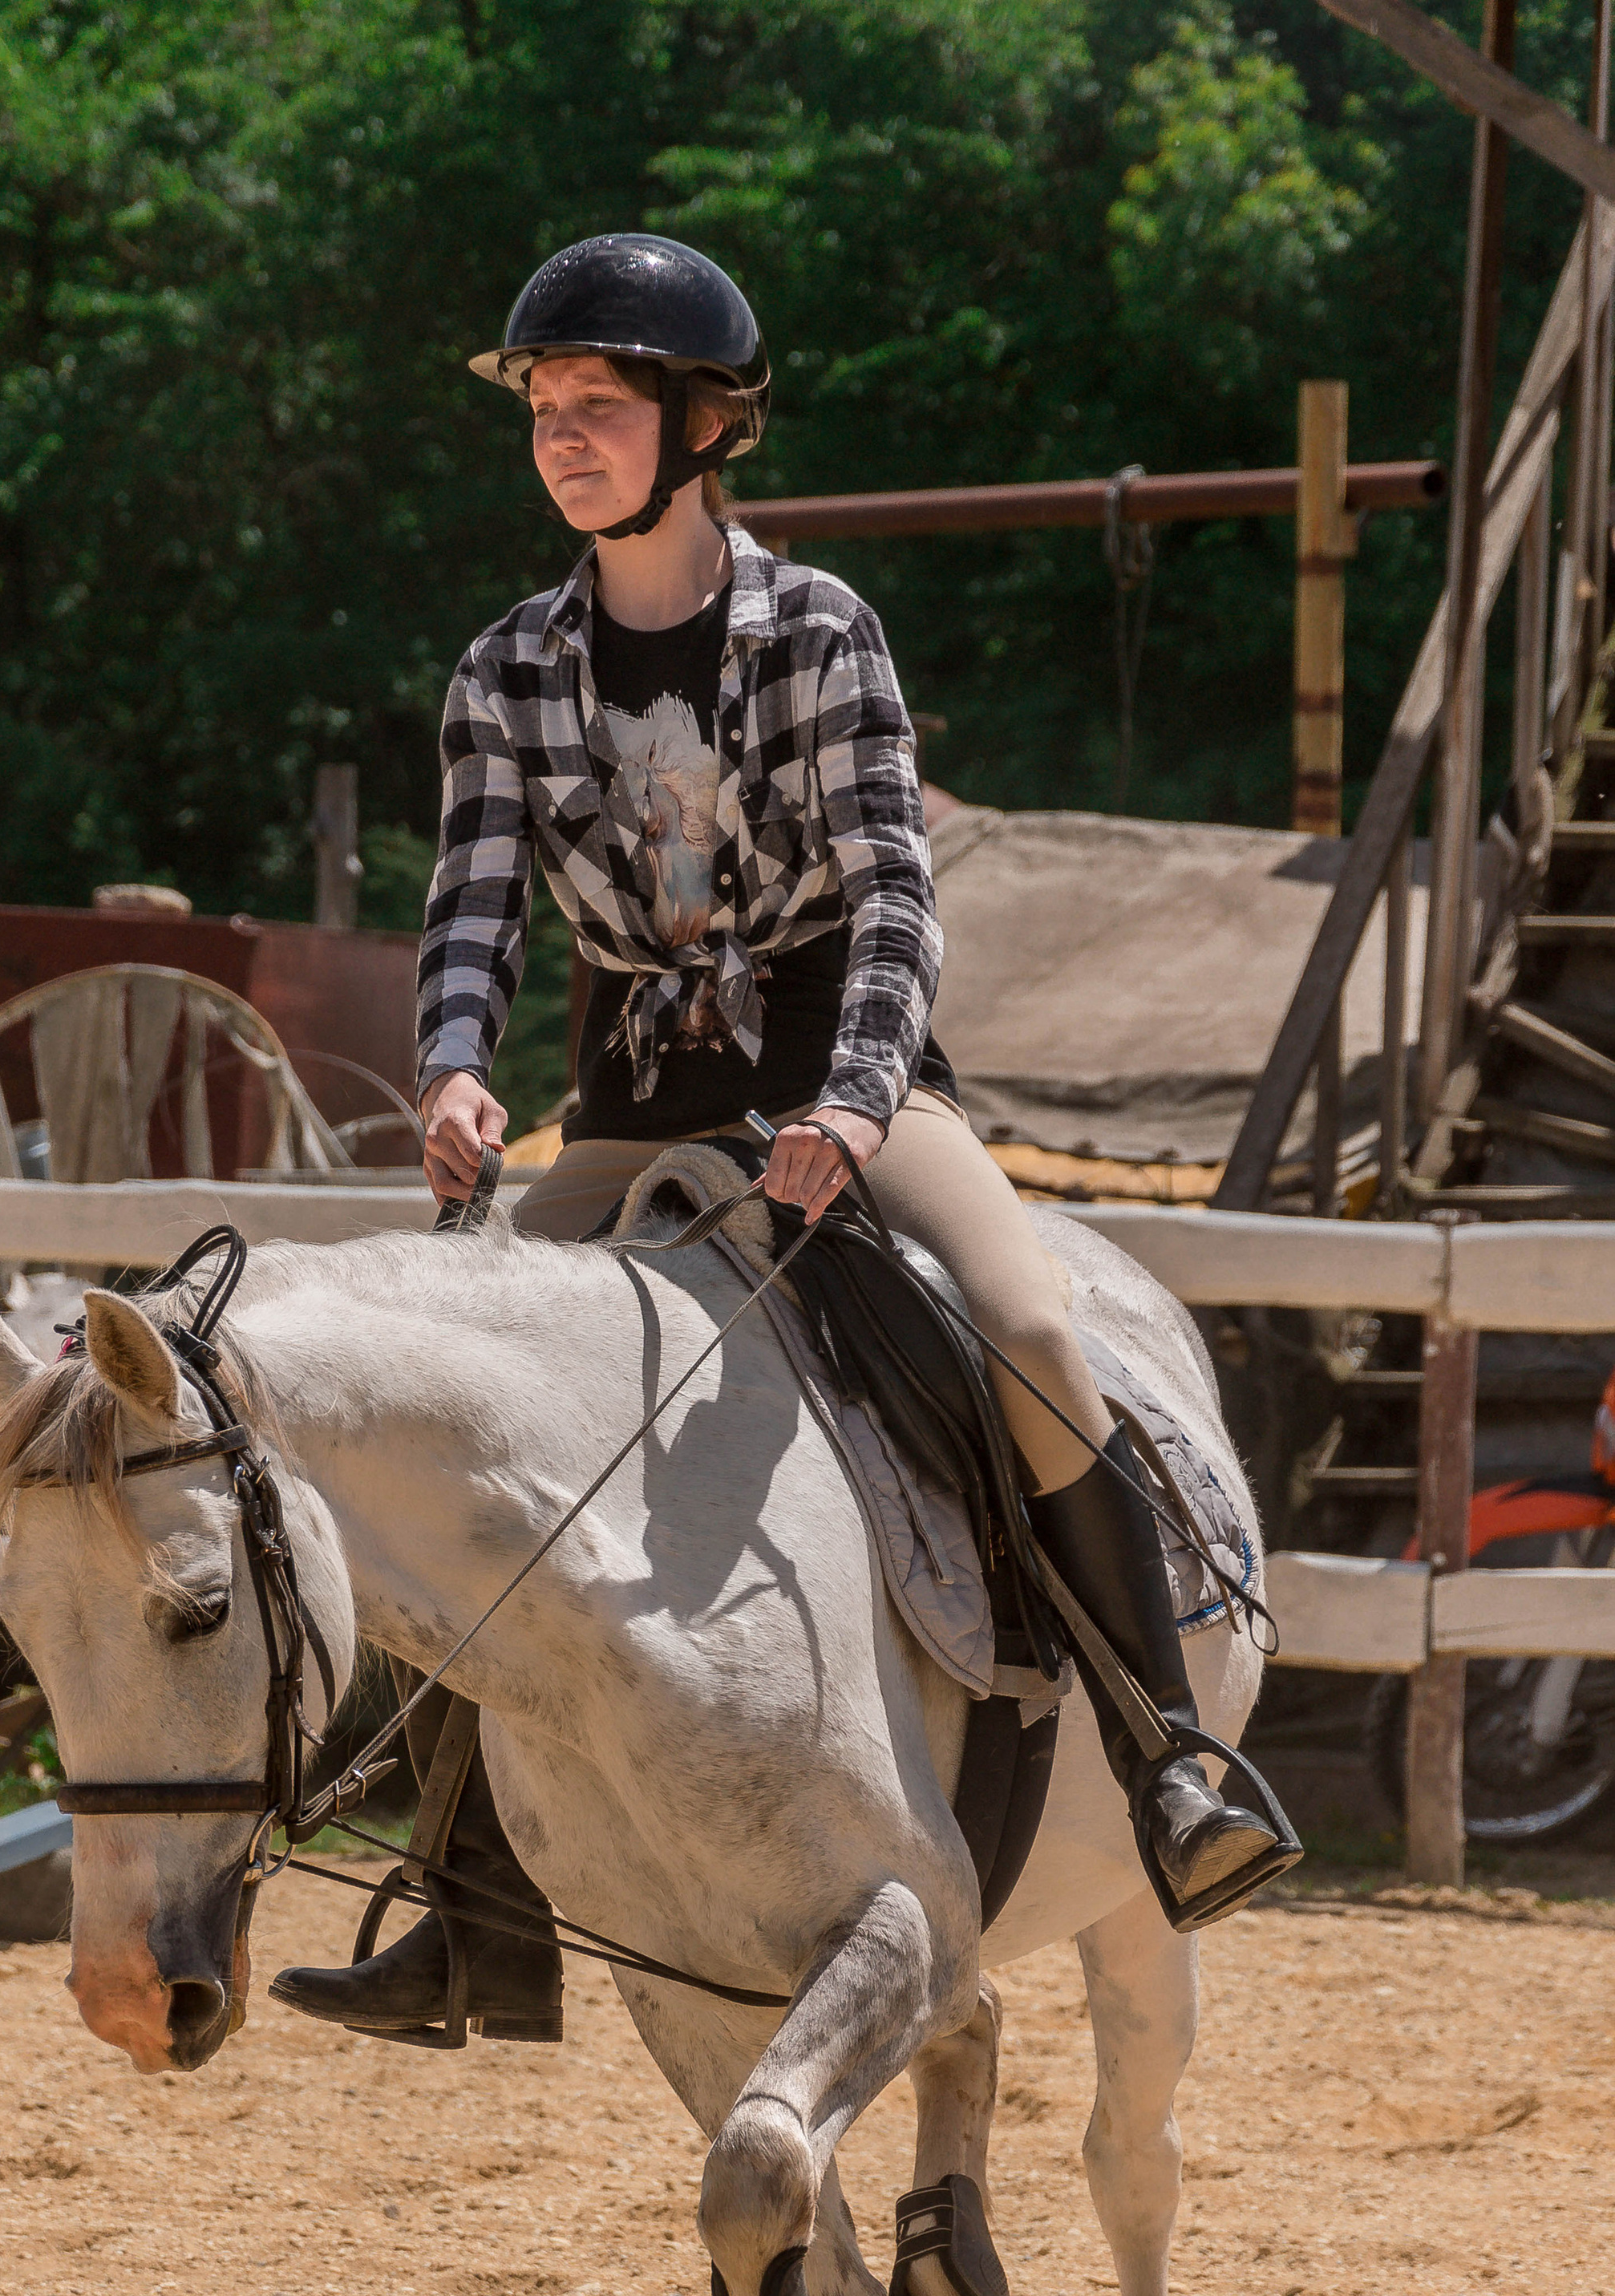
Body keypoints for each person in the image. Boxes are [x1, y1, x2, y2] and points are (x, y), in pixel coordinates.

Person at [271, 234, 1292, 2046]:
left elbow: (895, 894)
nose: (562, 437)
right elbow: (474, 908)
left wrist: (849, 1100)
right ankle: (467, 1909)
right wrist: (447, 1068)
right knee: (451, 1421)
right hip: (630, 1104)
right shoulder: (503, 665)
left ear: (699, 425)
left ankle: (1170, 1762)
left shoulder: (817, 628)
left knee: (1037, 1335)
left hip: (850, 1079)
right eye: (544, 411)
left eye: (598, 407)